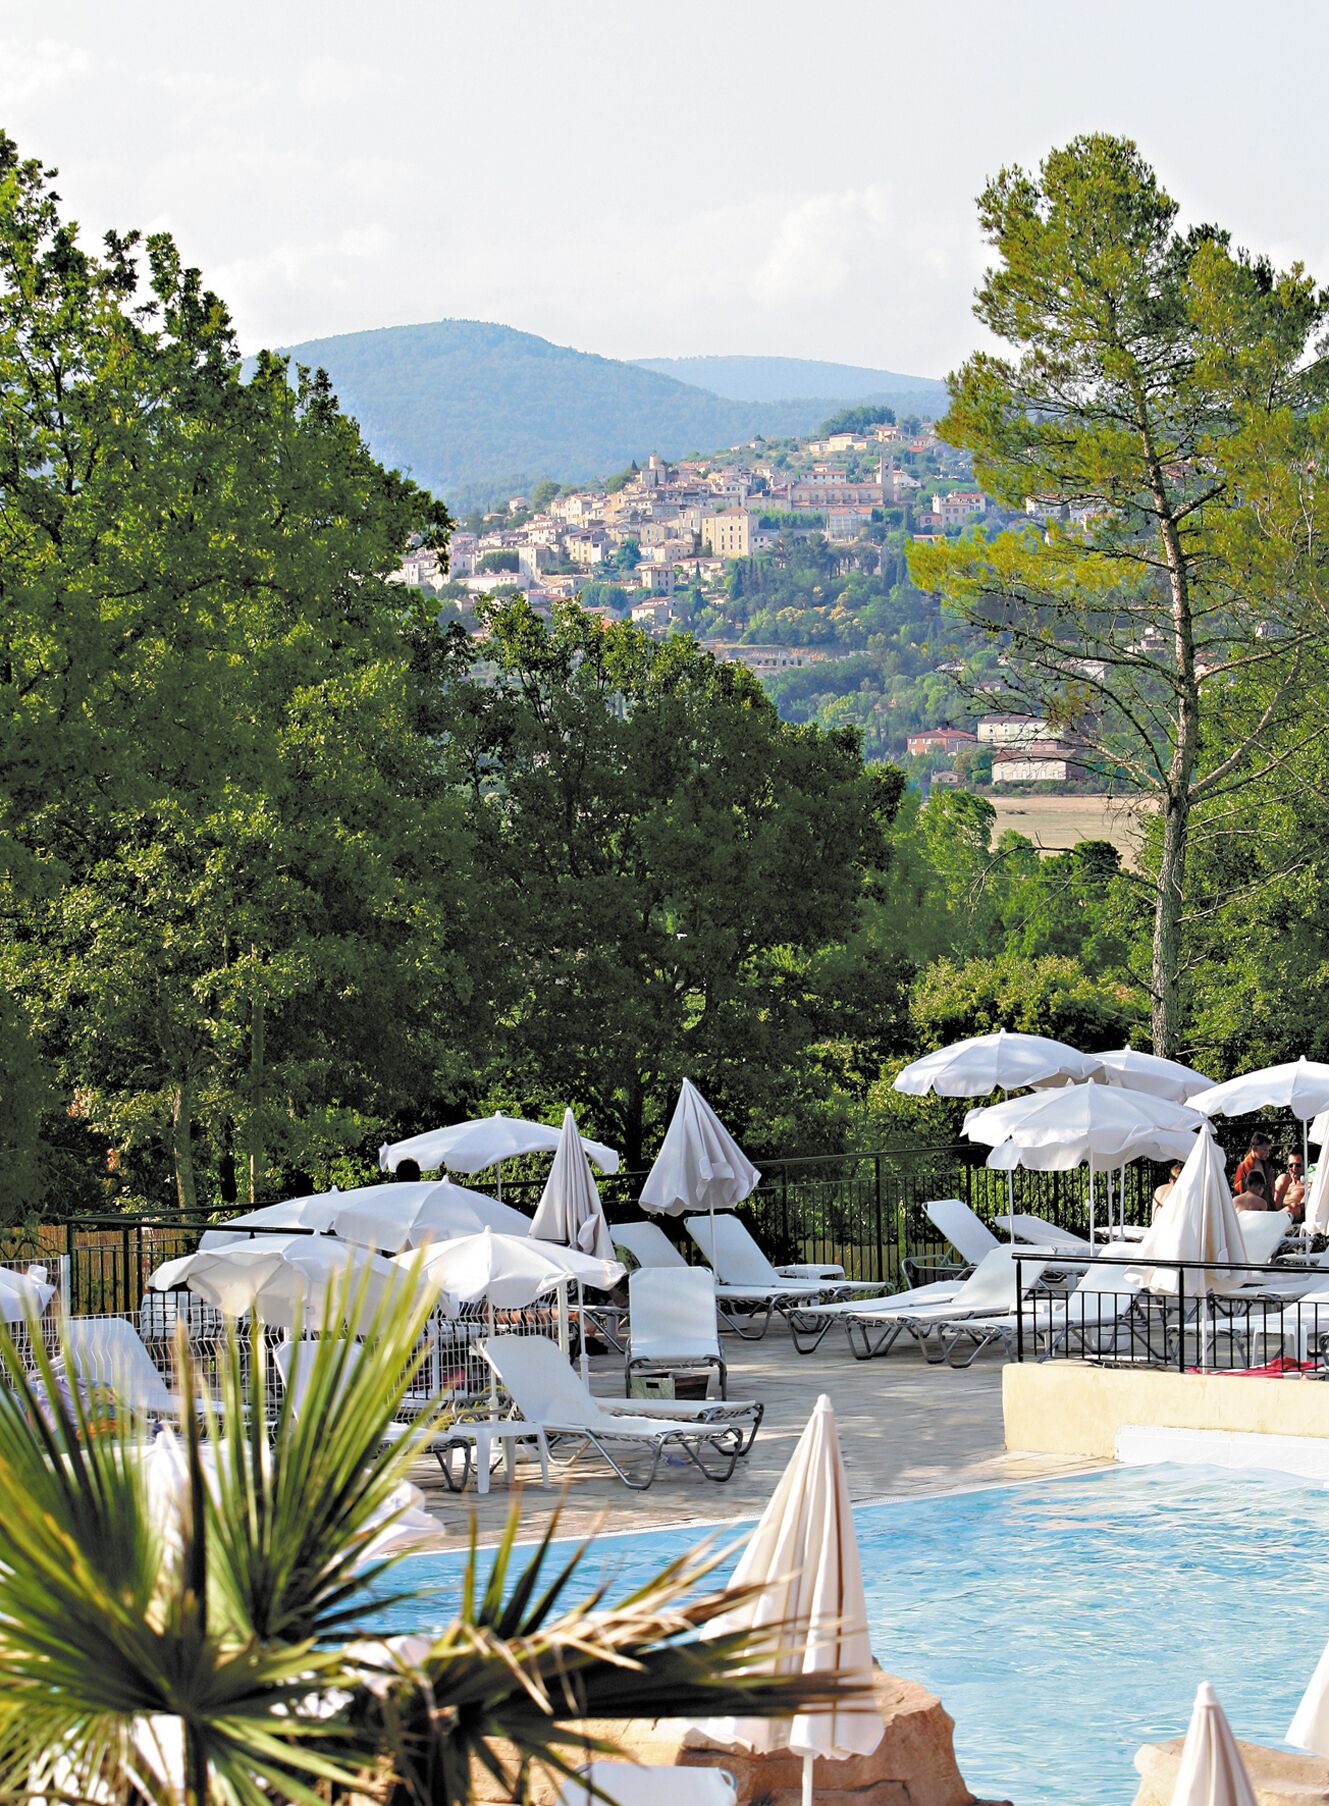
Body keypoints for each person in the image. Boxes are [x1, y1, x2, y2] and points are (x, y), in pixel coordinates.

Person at [1232, 1134, 1276, 1202]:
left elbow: (1271, 1188)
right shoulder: (1243, 1167)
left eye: (1268, 1150)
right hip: (1249, 1204)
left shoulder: (1267, 1166)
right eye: (1264, 1150)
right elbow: (1239, 1190)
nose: (1267, 1154)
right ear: (1254, 1148)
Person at [1275, 1153, 1308, 1223]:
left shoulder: (1308, 1186)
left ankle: (1272, 1219)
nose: (1294, 1168)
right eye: (1291, 1165)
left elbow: (1301, 1207)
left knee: (1294, 1206)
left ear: (1305, 1165)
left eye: (1298, 1165)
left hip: (1290, 1216)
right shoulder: (1284, 1181)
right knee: (1283, 1177)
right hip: (1275, 1210)